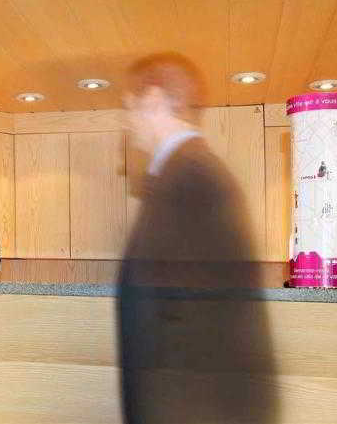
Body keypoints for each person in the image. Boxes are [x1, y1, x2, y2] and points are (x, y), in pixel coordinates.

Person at [118, 52, 277, 423]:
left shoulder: (192, 177)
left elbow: (200, 330)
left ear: (153, 99)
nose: (127, 122)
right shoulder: (182, 174)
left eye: (128, 108)